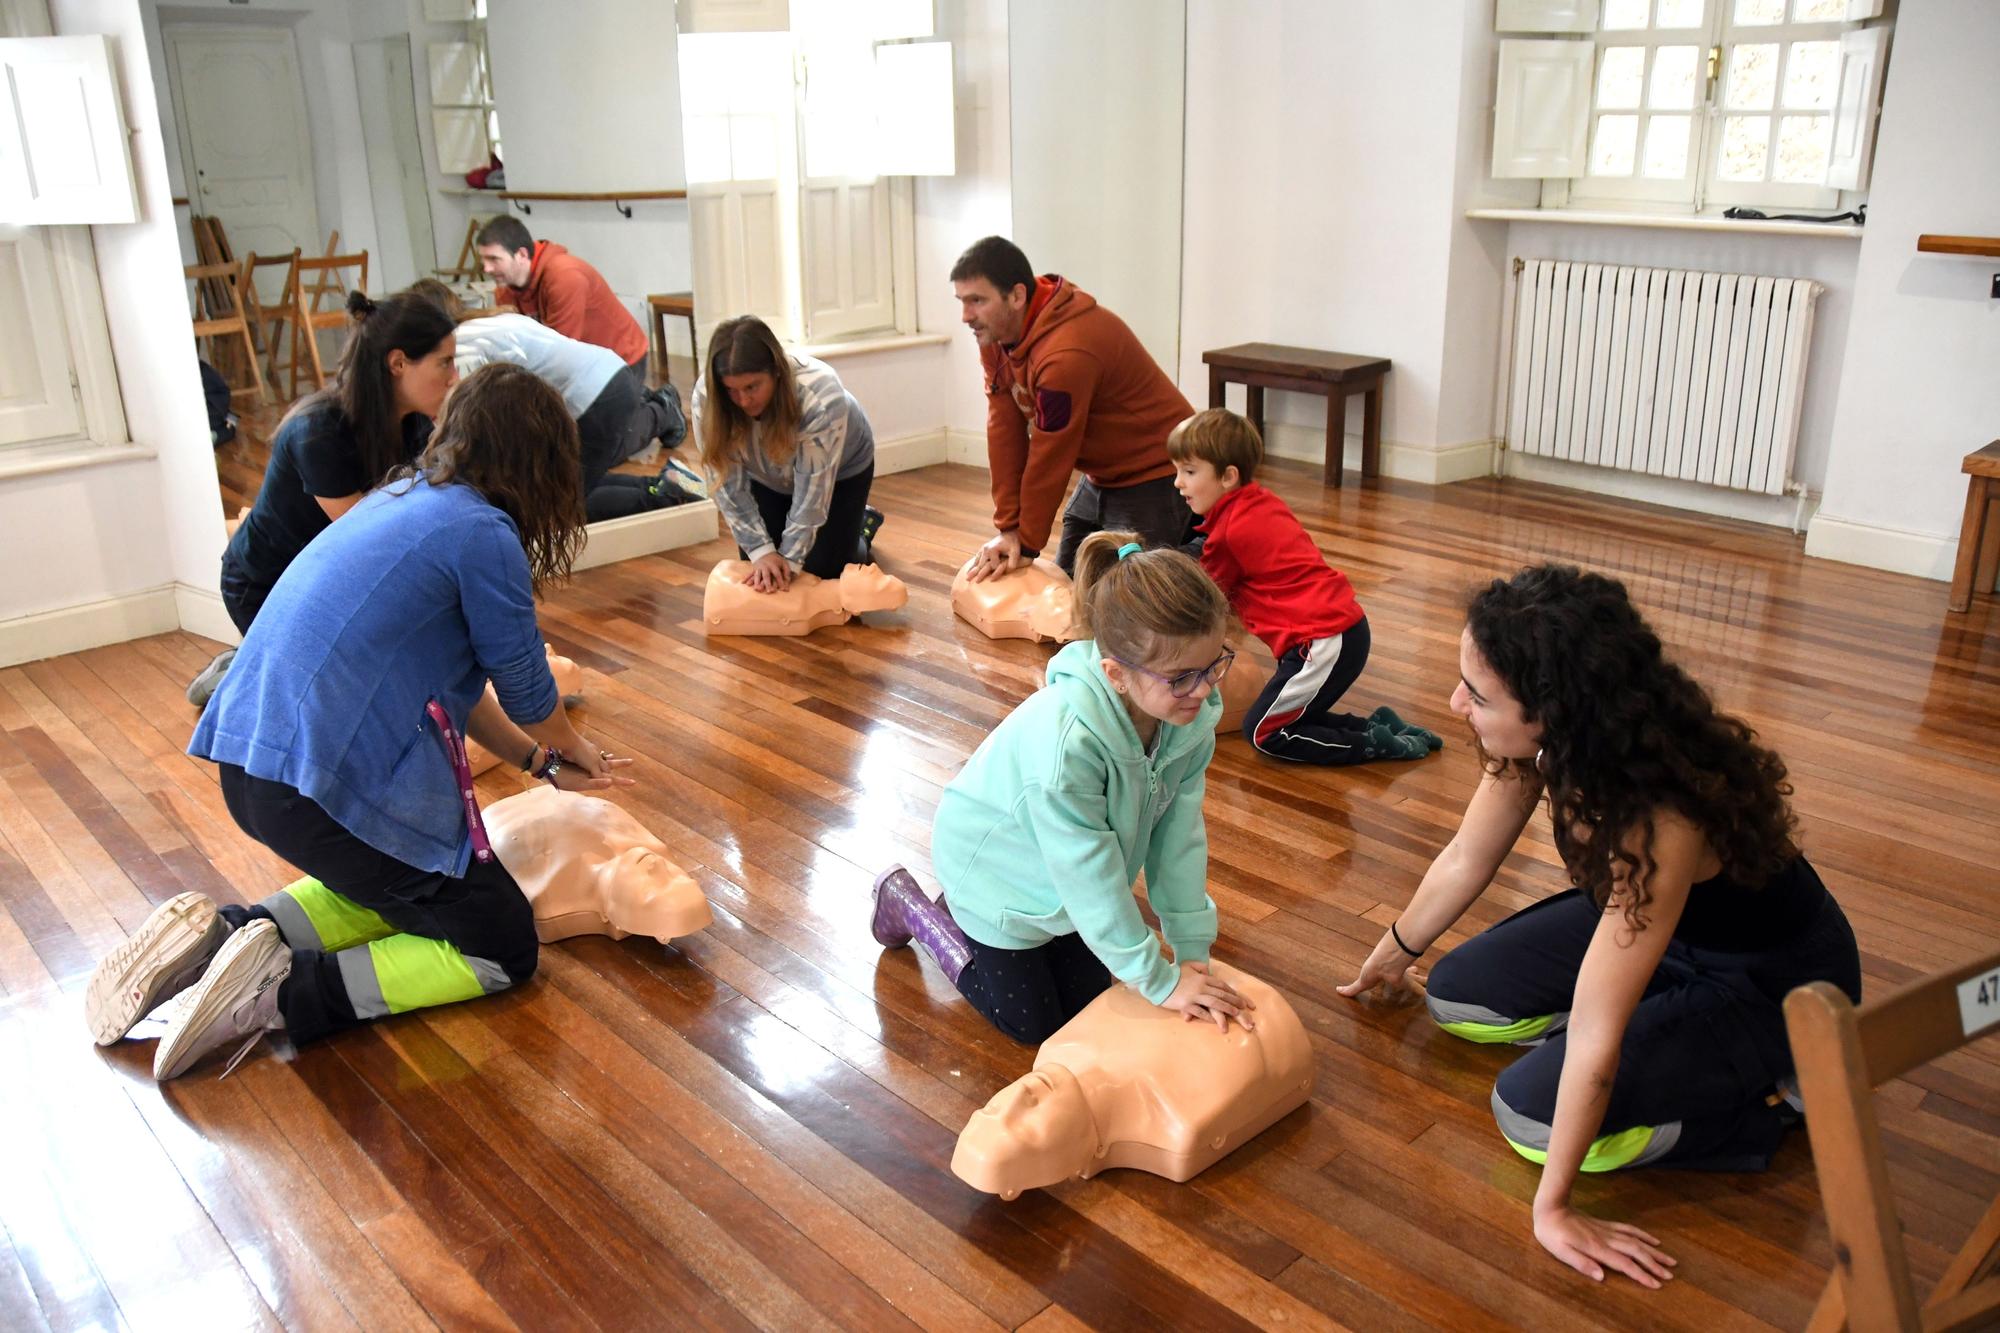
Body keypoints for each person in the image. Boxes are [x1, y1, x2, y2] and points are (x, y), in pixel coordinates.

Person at [89, 364, 635, 1080]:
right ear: (540, 462)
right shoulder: (484, 532)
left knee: (418, 883)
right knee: (500, 938)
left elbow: (462, 692)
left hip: (250, 767)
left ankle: (234, 933)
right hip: (313, 788)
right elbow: (531, 693)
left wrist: (538, 763)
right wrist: (575, 747)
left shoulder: (402, 498)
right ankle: (281, 994)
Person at [1336, 565, 1862, 1289]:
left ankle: (1775, 1097)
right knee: (1455, 993)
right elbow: (1466, 855)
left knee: (1531, 1118)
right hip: (1657, 929)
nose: (1455, 702)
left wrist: (1554, 1209)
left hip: (1769, 981)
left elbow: (1594, 1027)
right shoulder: (1546, 745)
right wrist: (1392, 953)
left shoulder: (1657, 816)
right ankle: (1663, 1027)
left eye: (1479, 694)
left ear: (1555, 708)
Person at [870, 531, 1254, 1045]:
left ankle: (963, 917)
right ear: (1117, 674)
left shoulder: (1189, 720)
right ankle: (913, 905)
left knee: (1089, 1006)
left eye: (1213, 666)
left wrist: (1190, 953)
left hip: (1055, 880)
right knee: (1034, 1024)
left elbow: (1178, 839)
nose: (1205, 690)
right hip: (993, 876)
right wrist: (1159, 980)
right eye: (1183, 677)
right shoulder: (1066, 750)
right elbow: (1088, 874)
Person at [1169, 408, 1438, 765]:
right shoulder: (1260, 502)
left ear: (1228, 476)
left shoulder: (1230, 533)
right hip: (1339, 631)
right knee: (1290, 717)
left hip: (1321, 641)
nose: (1178, 483)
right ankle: (1374, 727)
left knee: (1265, 733)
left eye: (1188, 472)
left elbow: (1203, 594)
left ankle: (1375, 745)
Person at [950, 235, 1194, 581]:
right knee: (1067, 585)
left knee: (1129, 599)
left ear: (1017, 295)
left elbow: (1051, 452)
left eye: (977, 301)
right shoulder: (997, 336)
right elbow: (1004, 429)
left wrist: (1028, 541)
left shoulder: (1066, 354)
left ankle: (1203, 556)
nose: (965, 316)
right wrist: (1008, 528)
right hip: (1100, 473)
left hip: (1156, 470)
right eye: (961, 301)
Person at [406, 279, 686, 522]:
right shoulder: (487, 321)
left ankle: (671, 494)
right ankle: (674, 485)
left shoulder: (462, 343)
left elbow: (466, 418)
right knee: (565, 485)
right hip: (608, 379)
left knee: (558, 508)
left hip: (594, 397)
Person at [684, 315, 880, 591]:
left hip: (839, 474)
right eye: (732, 390)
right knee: (762, 568)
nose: (742, 400)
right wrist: (761, 551)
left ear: (776, 370)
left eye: (752, 387)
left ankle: (860, 526)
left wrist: (791, 559)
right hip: (765, 475)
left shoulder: (820, 393)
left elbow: (813, 493)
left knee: (821, 571)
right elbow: (725, 481)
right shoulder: (708, 396)